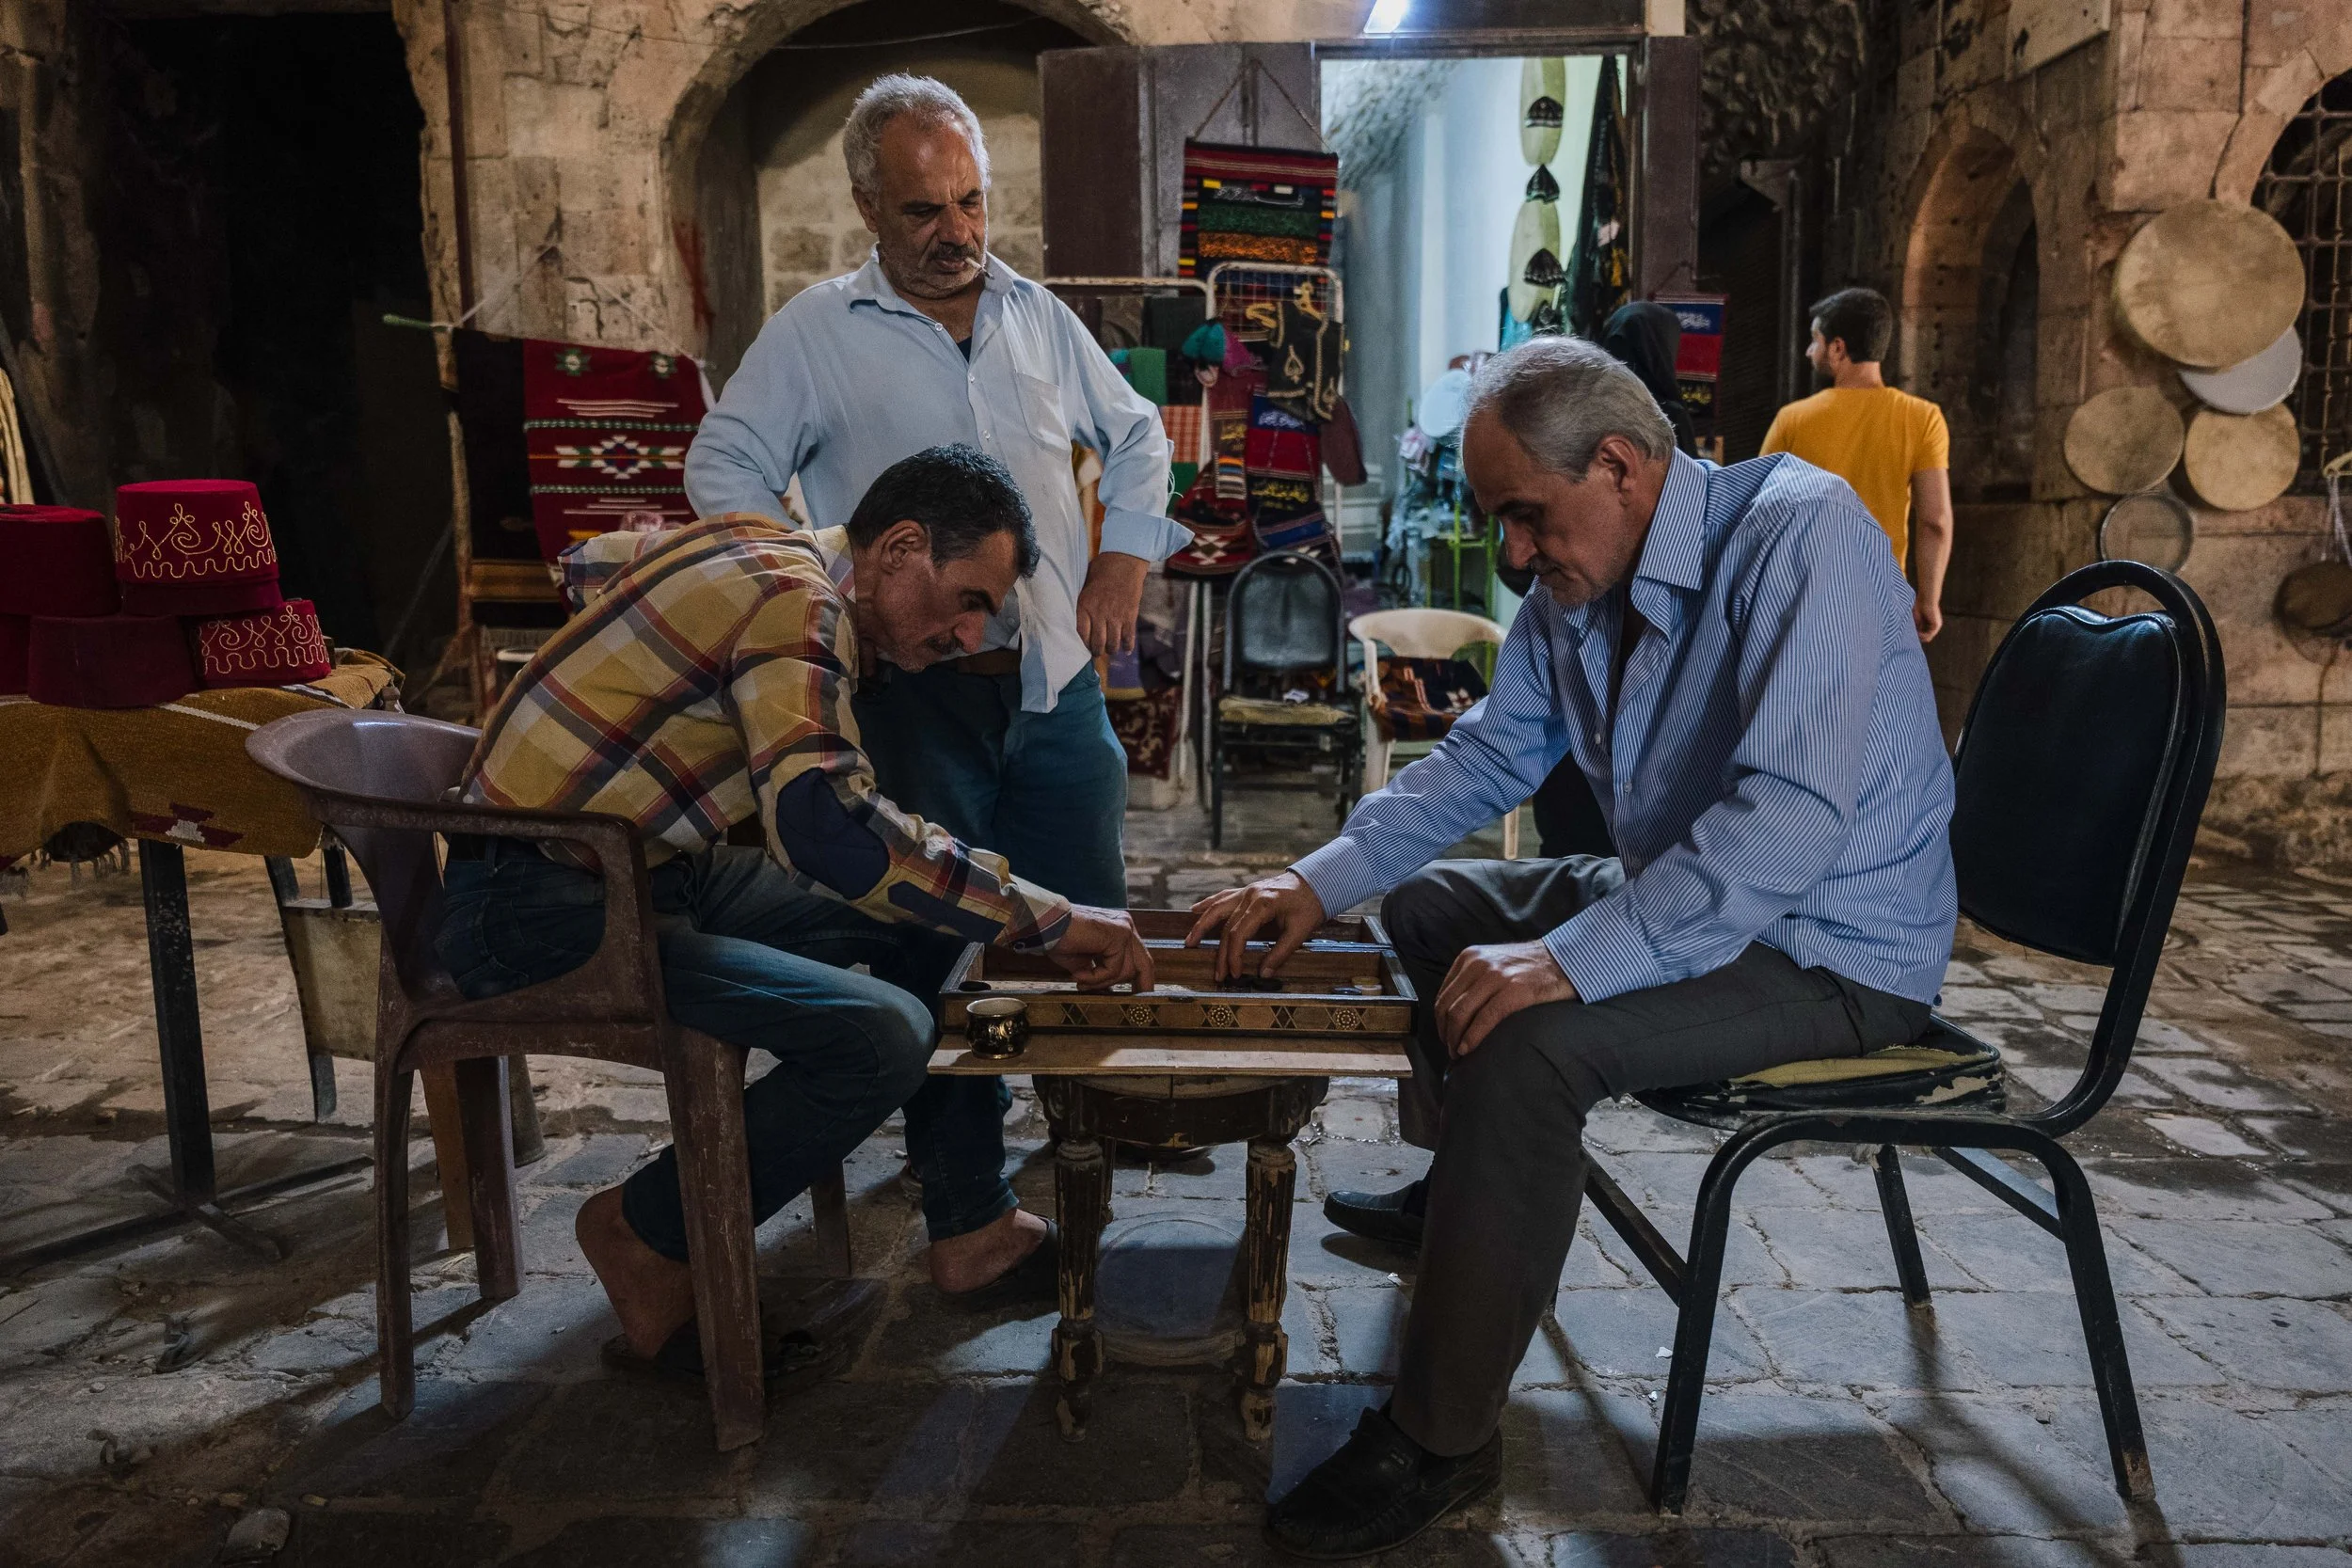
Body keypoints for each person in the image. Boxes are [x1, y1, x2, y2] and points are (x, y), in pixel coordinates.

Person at [1188, 339, 1957, 1559]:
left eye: (1525, 515)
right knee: (1431, 913)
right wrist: (1312, 880)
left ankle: (1440, 1437)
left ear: (1619, 465)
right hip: (1696, 887)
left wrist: (1573, 956)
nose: (1513, 553)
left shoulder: (1802, 533)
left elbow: (1791, 821)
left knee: (1531, 1041)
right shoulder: (1574, 585)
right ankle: (1469, 1205)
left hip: (1831, 944)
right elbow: (1489, 756)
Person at [441, 446, 1155, 1373]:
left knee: (934, 916)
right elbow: (825, 828)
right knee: (881, 1035)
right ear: (898, 547)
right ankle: (643, 1231)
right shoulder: (798, 602)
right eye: (969, 598)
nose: (971, 633)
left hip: (635, 871)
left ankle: (969, 1219)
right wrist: (1050, 918)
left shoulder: (760, 548)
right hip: (534, 904)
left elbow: (588, 563)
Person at [684, 72, 1179, 1261]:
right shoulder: (816, 331)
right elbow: (722, 472)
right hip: (916, 696)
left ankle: (1089, 1128)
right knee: (939, 935)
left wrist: (1124, 555)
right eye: (924, 212)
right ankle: (965, 1204)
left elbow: (1138, 434)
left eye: (971, 202)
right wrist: (822, 594)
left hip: (1051, 684)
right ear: (866, 205)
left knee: (1081, 916)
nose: (958, 234)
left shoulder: (1034, 313)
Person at [1760, 286, 1954, 642]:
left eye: (1815, 341)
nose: (1809, 351)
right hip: (1882, 599)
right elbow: (1935, 522)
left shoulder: (1793, 420)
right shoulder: (1922, 418)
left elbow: (1761, 512)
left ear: (1838, 348)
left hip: (1803, 598)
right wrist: (1929, 600)